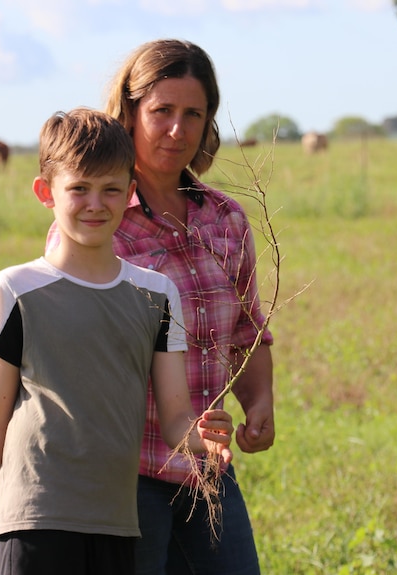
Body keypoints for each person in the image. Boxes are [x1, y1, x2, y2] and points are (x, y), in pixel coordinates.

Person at [0, 108, 235, 575]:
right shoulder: (17, 289)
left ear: (129, 193)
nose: (95, 203)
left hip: (115, 523)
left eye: (111, 189)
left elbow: (175, 419)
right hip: (33, 519)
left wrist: (204, 439)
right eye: (78, 189)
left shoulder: (157, 293)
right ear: (46, 193)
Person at [46, 40, 275, 574]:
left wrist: (259, 401)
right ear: (128, 114)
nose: (178, 129)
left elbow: (246, 331)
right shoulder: (96, 222)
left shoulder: (227, 219)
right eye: (161, 111)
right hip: (126, 478)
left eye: (193, 113)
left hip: (207, 472)